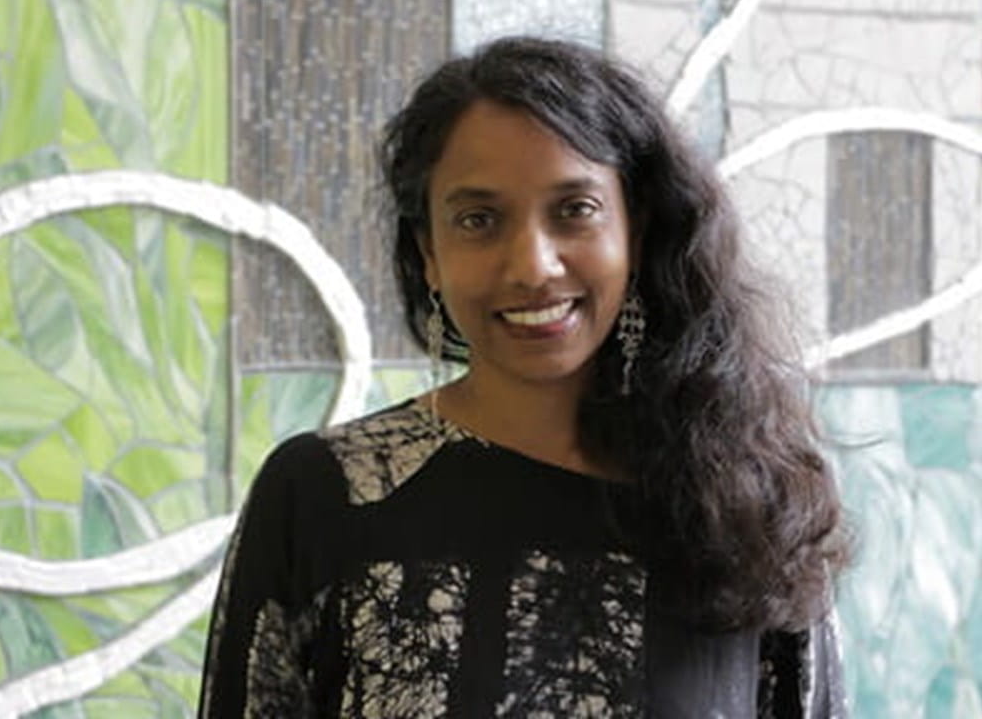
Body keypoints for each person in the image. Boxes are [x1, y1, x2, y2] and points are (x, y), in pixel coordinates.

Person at [198, 36, 850, 717]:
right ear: (429, 252)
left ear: (636, 226)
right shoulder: (323, 497)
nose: (533, 265)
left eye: (575, 210)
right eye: (479, 220)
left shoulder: (749, 500)